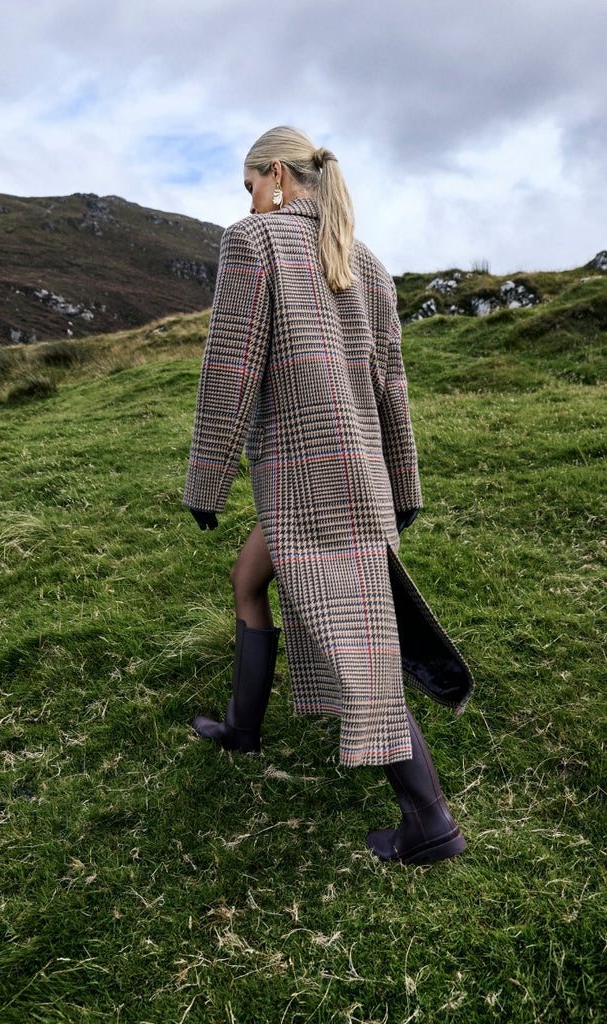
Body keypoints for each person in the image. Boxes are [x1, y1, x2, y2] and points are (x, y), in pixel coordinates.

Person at [183, 126, 474, 865]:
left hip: (306, 479)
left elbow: (230, 370)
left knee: (356, 647)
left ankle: (430, 825)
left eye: (249, 185)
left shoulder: (253, 240)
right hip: (358, 474)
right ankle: (243, 727)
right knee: (248, 578)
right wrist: (402, 483)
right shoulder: (366, 261)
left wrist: (207, 478)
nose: (248, 200)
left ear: (277, 175)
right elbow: (392, 386)